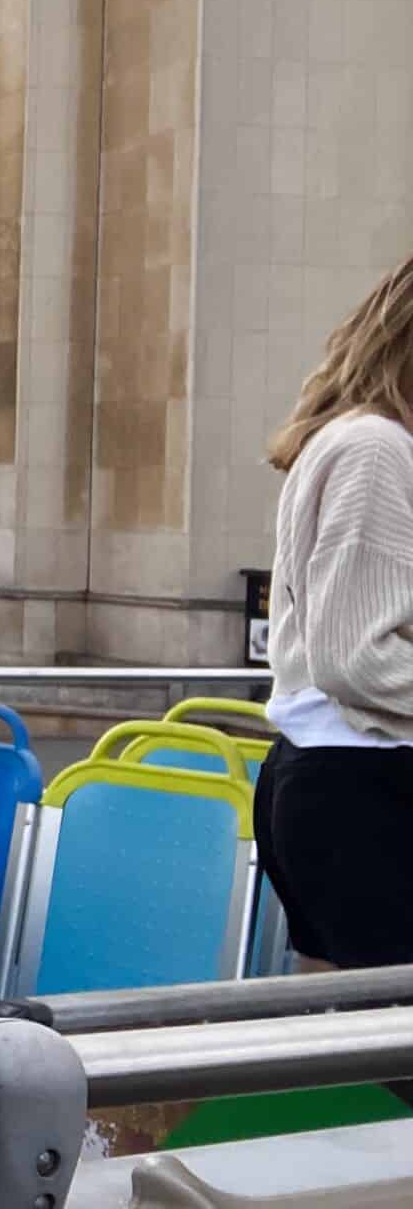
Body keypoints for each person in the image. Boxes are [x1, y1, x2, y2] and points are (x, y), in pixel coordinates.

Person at [257, 256, 413, 998]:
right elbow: (355, 658)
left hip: (334, 781)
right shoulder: (378, 450)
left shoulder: (355, 440)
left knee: (341, 1050)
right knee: (378, 1052)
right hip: (362, 783)